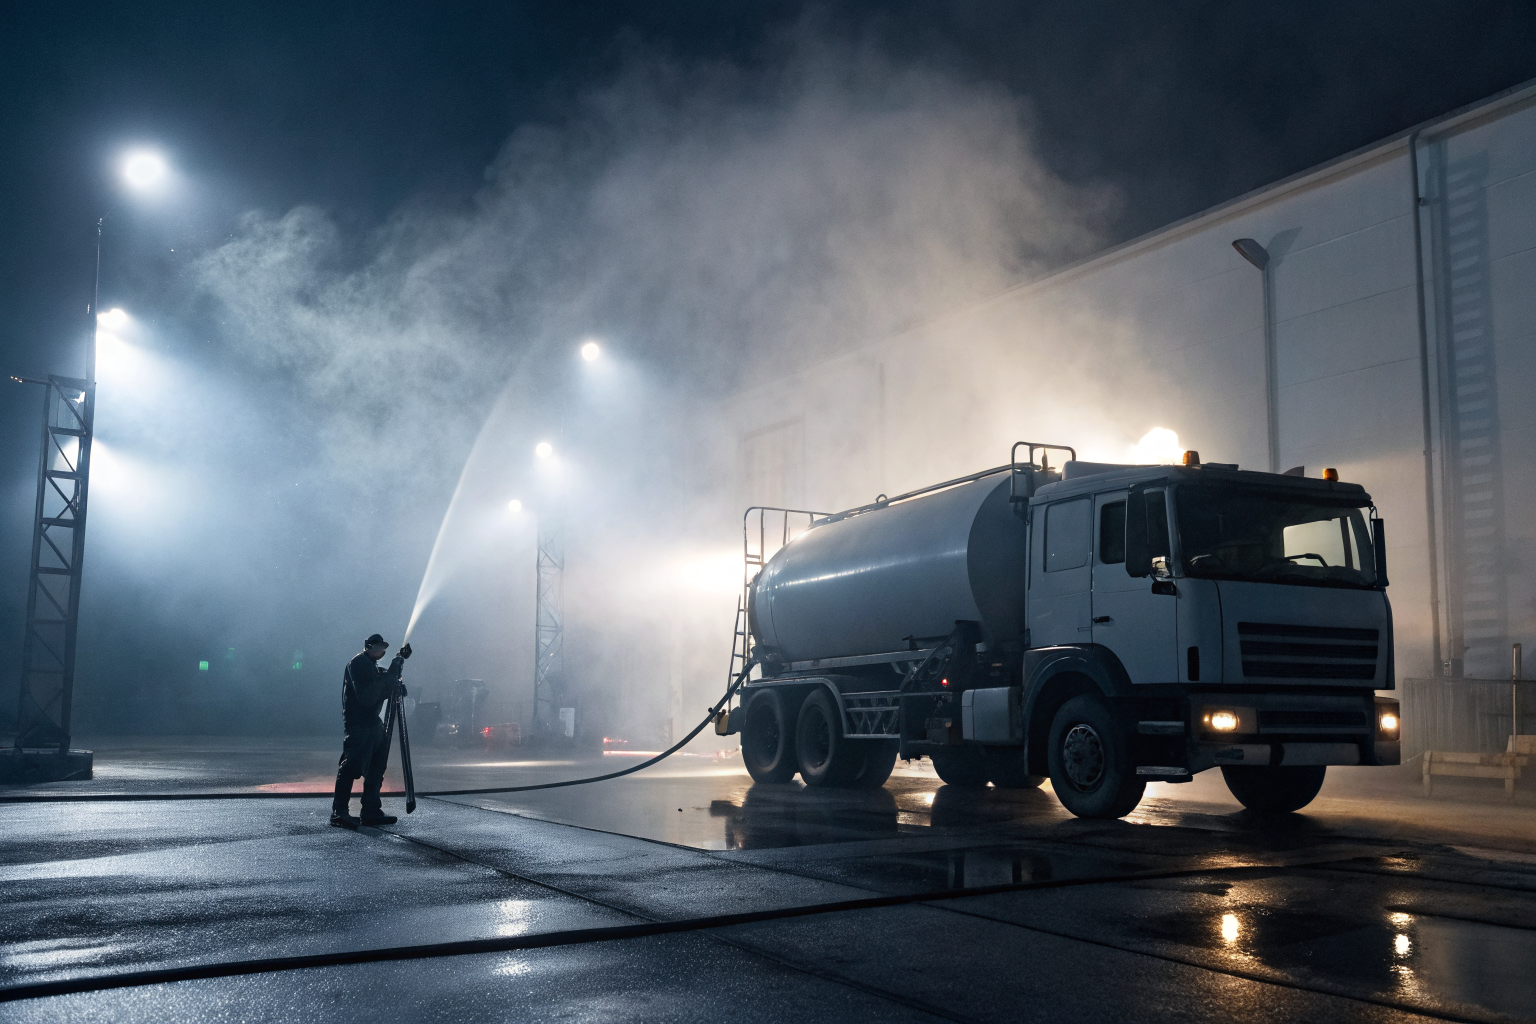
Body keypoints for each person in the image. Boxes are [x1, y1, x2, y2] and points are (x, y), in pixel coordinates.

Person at [331, 633, 406, 829]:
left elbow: (383, 687)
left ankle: (371, 811)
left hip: (373, 723)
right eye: (379, 646)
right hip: (359, 724)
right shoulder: (359, 664)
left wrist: (395, 678)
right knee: (350, 767)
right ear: (369, 646)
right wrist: (392, 671)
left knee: (376, 768)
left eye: (384, 647)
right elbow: (368, 696)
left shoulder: (371, 666)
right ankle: (339, 813)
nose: (382, 651)